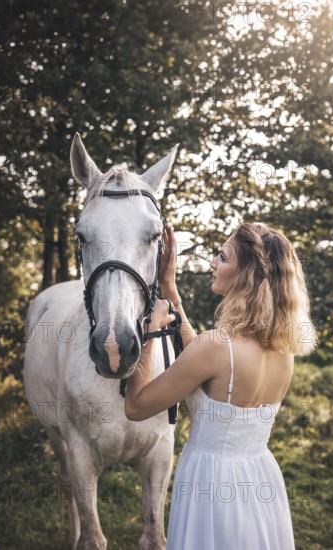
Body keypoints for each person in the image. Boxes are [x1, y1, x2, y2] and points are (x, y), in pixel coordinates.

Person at [125, 221, 318, 550]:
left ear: (246, 274)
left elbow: (136, 406)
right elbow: (197, 352)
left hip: (211, 482)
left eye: (223, 257)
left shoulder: (216, 347)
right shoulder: (284, 349)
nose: (212, 263)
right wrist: (168, 285)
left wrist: (149, 335)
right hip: (260, 477)